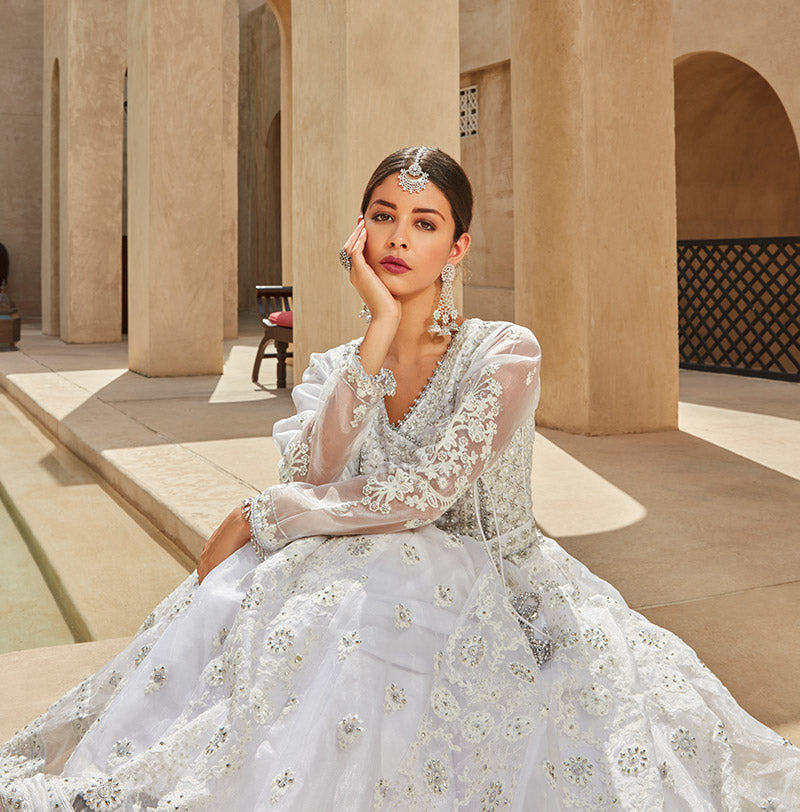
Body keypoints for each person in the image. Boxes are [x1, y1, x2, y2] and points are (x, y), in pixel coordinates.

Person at [1, 146, 798, 811]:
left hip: (499, 581)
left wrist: (266, 511)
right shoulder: (338, 366)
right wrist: (378, 331)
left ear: (457, 250)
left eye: (425, 223)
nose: (398, 236)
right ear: (358, 231)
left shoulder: (503, 353)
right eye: (382, 215)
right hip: (378, 567)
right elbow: (317, 471)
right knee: (265, 589)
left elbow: (423, 498)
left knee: (351, 576)